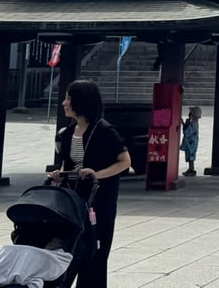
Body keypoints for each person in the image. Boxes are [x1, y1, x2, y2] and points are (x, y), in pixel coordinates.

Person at [51, 79, 133, 288]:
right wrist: (60, 175)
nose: (64, 103)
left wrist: (97, 174)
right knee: (73, 247)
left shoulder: (105, 130)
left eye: (69, 98)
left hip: (99, 200)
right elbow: (69, 164)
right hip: (73, 200)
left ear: (81, 101)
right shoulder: (68, 132)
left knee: (95, 251)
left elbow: (125, 162)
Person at [180, 106, 201, 177]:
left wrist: (184, 123)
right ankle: (190, 168)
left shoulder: (192, 124)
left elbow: (187, 131)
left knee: (190, 156)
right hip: (192, 142)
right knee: (190, 156)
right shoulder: (195, 123)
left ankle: (191, 169)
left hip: (190, 143)